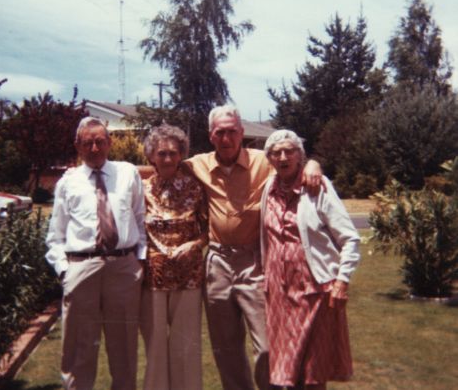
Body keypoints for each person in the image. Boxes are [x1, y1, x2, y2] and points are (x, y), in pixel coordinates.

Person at [184, 105, 323, 390]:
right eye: (220, 132)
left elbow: (293, 158)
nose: (226, 138)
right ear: (211, 136)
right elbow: (163, 164)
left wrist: (313, 164)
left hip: (255, 262)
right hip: (217, 264)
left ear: (242, 133)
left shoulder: (264, 161)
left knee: (267, 348)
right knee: (226, 349)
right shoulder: (197, 165)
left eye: (232, 131)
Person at [45, 117, 146, 390]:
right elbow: (56, 235)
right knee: (79, 348)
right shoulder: (68, 182)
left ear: (109, 143)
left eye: (100, 141)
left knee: (124, 346)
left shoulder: (127, 173)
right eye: (87, 143)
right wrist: (65, 271)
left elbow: (140, 219)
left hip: (123, 268)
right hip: (82, 267)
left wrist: (140, 260)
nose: (94, 148)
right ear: (77, 146)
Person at [260, 129, 360, 390]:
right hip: (279, 296)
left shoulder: (318, 187)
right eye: (276, 152)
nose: (283, 157)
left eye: (289, 151)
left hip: (314, 293)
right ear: (269, 159)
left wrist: (342, 281)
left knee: (313, 372)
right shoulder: (267, 190)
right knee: (285, 371)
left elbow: (350, 238)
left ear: (300, 156)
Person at [140, 124, 208, 390]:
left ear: (181, 155)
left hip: (188, 276)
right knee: (155, 347)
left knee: (186, 348)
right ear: (151, 157)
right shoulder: (142, 189)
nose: (167, 158)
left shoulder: (195, 188)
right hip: (152, 277)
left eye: (172, 153)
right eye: (161, 153)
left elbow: (209, 230)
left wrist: (193, 245)